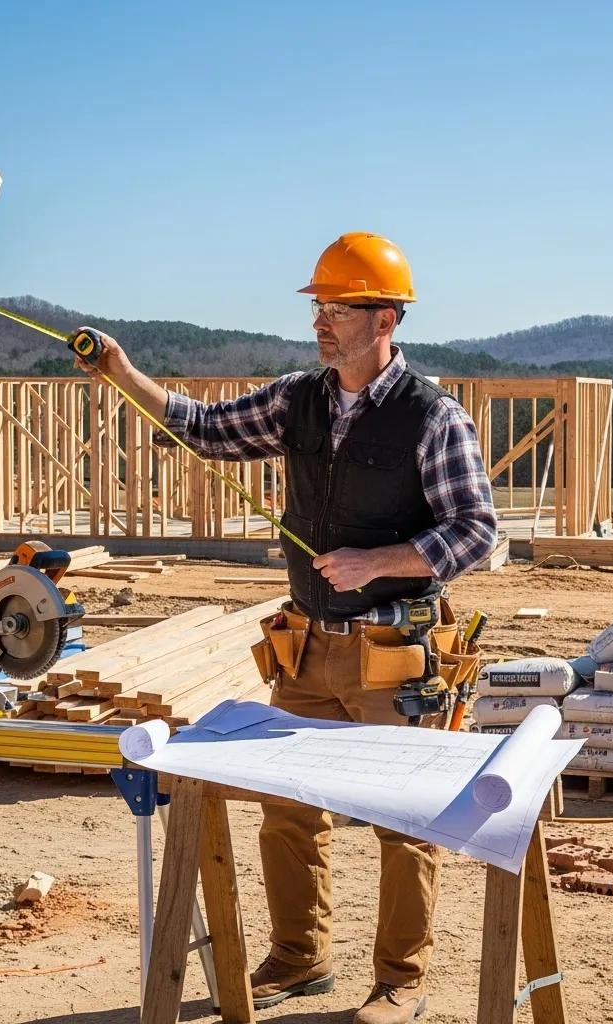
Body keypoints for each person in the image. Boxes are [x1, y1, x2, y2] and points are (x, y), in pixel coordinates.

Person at [74, 232, 497, 1024]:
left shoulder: (432, 417)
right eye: (319, 307)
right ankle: (301, 960)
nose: (321, 322)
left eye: (338, 308)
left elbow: (477, 531)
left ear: (386, 318)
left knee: (405, 822)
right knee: (289, 810)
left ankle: (400, 980)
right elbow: (202, 427)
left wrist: (380, 561)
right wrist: (121, 371)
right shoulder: (296, 398)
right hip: (304, 649)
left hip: (394, 656)